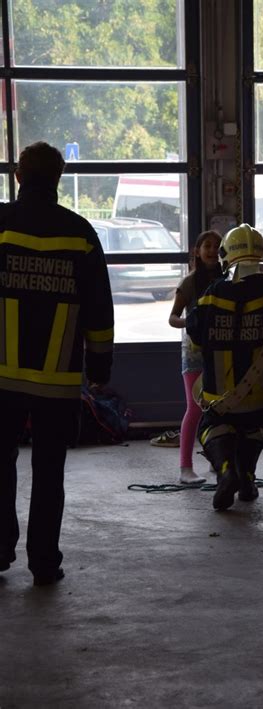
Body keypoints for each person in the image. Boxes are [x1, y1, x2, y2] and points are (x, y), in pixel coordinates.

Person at [0, 141, 114, 586]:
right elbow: (99, 310)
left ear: (18, 176)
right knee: (49, 472)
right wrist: (100, 369)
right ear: (59, 180)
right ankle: (44, 563)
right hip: (57, 383)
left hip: (1, 381)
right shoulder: (79, 233)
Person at [186, 223, 263, 510]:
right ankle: (248, 479)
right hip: (261, 392)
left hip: (220, 392)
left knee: (212, 426)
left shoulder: (212, 293)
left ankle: (226, 470)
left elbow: (195, 336)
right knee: (250, 427)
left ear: (227, 255)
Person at [168, 229, 223, 484]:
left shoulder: (227, 280)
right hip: (194, 354)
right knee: (195, 409)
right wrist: (192, 321)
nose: (212, 250)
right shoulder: (189, 282)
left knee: (220, 408)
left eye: (216, 246)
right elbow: (172, 317)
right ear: (198, 252)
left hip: (221, 353)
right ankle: (185, 468)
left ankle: (217, 460)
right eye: (207, 246)